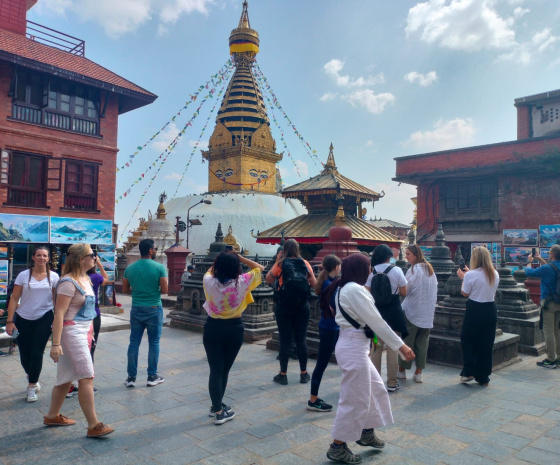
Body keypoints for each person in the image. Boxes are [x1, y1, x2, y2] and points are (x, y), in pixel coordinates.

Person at [327, 253, 415, 464]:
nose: (370, 271)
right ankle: (337, 446)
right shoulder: (354, 290)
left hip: (354, 344)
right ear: (359, 269)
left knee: (375, 390)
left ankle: (366, 432)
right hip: (353, 348)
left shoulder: (346, 288)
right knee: (354, 399)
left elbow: (368, 321)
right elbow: (377, 321)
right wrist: (401, 345)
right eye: (367, 267)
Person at [44, 243, 114, 437]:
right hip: (71, 331)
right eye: (93, 255)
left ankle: (52, 415)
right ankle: (93, 425)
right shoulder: (68, 282)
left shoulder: (86, 279)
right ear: (82, 259)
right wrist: (55, 343)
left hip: (85, 330)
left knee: (65, 378)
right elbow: (59, 313)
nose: (95, 258)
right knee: (86, 376)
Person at [202, 251, 264, 425]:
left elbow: (210, 270)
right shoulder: (243, 281)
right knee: (224, 370)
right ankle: (218, 410)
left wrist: (220, 260)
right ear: (237, 267)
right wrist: (241, 258)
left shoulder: (208, 281)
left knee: (215, 370)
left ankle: (216, 406)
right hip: (234, 328)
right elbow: (260, 268)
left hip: (212, 327)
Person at [5, 246, 59, 403]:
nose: (42, 258)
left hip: (44, 317)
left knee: (36, 352)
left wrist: (57, 320)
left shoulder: (54, 277)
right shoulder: (23, 275)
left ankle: (31, 386)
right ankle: (32, 374)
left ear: (48, 259)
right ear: (33, 257)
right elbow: (14, 298)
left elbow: (56, 302)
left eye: (45, 255)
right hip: (23, 317)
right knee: (24, 354)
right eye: (39, 255)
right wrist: (10, 321)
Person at [265, 239, 317, 385]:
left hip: (284, 306)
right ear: (298, 249)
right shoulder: (305, 263)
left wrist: (277, 261)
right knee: (301, 339)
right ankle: (304, 373)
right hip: (302, 306)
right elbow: (313, 283)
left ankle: (283, 374)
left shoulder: (281, 264)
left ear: (284, 250)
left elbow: (268, 279)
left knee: (285, 340)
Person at [122, 238, 168, 387]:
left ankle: (131, 378)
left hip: (136, 308)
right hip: (154, 307)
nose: (155, 250)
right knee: (154, 342)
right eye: (154, 248)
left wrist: (138, 290)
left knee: (134, 342)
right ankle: (152, 376)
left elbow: (124, 289)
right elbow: (165, 290)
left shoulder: (130, 268)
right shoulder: (159, 267)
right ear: (150, 250)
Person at [67, 255, 113, 398]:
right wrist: (100, 265)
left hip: (74, 318)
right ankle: (86, 383)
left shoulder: (71, 278)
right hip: (92, 316)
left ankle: (69, 385)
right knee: (89, 349)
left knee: (72, 352)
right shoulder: (94, 278)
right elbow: (108, 280)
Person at [365, 244, 408, 392]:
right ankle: (391, 382)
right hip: (394, 314)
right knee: (393, 347)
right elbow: (404, 291)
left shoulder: (373, 272)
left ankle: (375, 382)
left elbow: (367, 294)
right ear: (389, 256)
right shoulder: (397, 270)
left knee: (376, 347)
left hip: (377, 316)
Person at [456, 246, 499, 386]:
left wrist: (463, 278)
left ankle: (468, 371)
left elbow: (465, 293)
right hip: (490, 309)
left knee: (467, 339)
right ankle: (483, 376)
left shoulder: (470, 275)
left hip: (475, 308)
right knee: (486, 343)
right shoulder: (494, 273)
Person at [397, 245, 438, 383]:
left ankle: (402, 370)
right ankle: (418, 373)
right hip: (427, 312)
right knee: (422, 342)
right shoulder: (430, 269)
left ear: (415, 254)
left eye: (408, 254)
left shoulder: (414, 269)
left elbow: (405, 290)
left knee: (407, 341)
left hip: (413, 310)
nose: (406, 256)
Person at [308, 254, 341, 412]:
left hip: (329, 326)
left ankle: (314, 397)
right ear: (336, 267)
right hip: (330, 327)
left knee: (324, 363)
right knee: (322, 363)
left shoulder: (327, 282)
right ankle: (313, 399)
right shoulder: (331, 285)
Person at [526, 245, 560, 368]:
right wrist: (540, 260)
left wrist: (529, 263)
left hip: (548, 303)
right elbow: (552, 269)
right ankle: (559, 358)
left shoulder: (546, 269)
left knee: (548, 331)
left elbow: (529, 273)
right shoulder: (553, 267)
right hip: (559, 301)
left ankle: (551, 359)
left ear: (552, 254)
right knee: (557, 330)